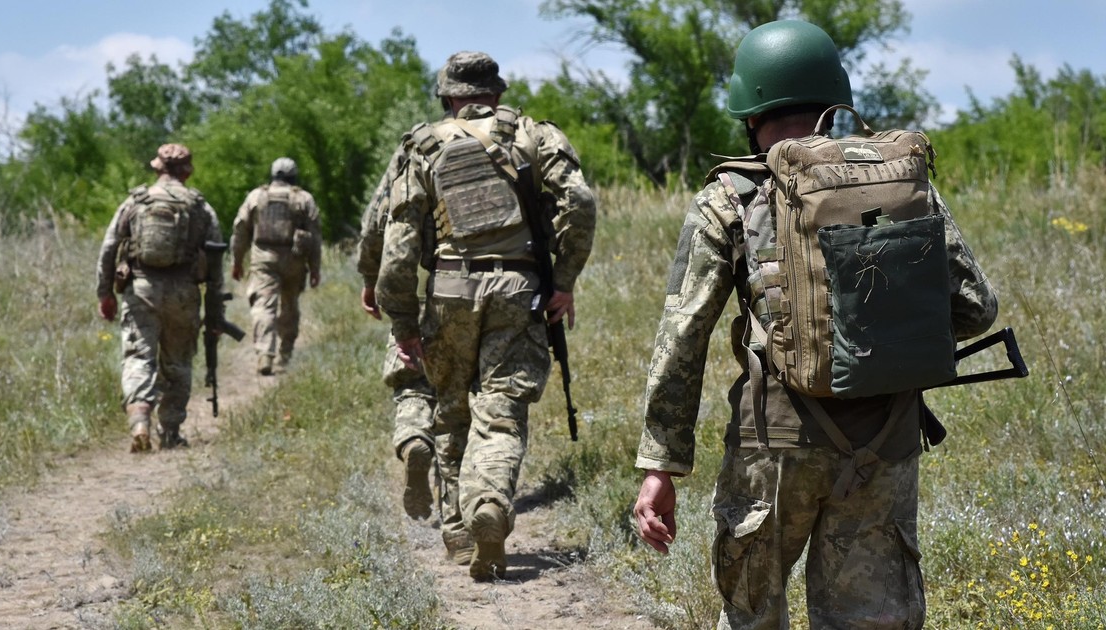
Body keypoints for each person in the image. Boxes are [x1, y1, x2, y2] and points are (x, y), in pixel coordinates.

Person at [631, 20, 999, 629]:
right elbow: (975, 307)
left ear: (749, 111)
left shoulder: (730, 197)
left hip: (773, 448)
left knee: (752, 618)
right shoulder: (900, 179)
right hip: (884, 441)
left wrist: (660, 467)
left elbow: (682, 339)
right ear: (836, 95)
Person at [376, 51, 597, 581]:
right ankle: (490, 504)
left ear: (449, 97)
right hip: (519, 289)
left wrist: (405, 325)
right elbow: (580, 203)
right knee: (500, 411)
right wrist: (563, 282)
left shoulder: (422, 146)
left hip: (449, 286)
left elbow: (398, 246)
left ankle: (456, 531)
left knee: (450, 409)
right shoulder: (537, 135)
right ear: (495, 93)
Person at [96, 143, 226, 453]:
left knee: (139, 357)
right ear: (188, 171)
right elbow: (216, 260)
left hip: (141, 289)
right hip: (184, 293)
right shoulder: (200, 207)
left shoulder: (135, 201)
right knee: (178, 363)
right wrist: (215, 310)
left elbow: (109, 248)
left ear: (157, 168)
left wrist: (105, 293)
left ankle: (140, 421)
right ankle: (170, 431)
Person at [357, 140, 440, 523]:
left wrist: (371, 277)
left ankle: (414, 439)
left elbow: (378, 218)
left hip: (427, 285)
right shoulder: (517, 140)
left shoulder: (420, 147)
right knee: (478, 398)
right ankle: (467, 507)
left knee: (413, 382)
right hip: (504, 288)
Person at [230, 157, 322, 375]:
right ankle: (285, 354)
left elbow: (240, 230)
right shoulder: (304, 198)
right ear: (294, 176)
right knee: (289, 306)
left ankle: (265, 354)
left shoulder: (256, 196)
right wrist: (315, 268)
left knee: (264, 305)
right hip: (294, 260)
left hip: (263, 258)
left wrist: (237, 261)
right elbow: (315, 236)